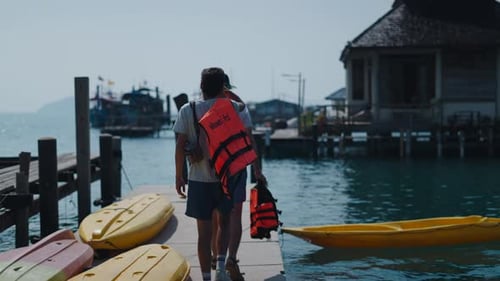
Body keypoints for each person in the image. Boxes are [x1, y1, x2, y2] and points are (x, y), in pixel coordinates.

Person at [175, 67, 242, 281]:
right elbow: (243, 108)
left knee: (203, 233)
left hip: (198, 179)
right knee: (225, 223)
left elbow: (180, 146)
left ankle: (205, 277)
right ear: (223, 86)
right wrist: (227, 93)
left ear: (201, 86)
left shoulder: (188, 109)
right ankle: (220, 268)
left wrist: (179, 176)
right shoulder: (231, 107)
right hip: (225, 177)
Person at [210, 74, 267, 281]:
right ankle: (231, 259)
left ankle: (218, 261)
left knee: (217, 217)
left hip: (215, 169)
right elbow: (250, 140)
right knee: (234, 215)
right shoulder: (240, 107)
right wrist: (257, 169)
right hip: (237, 167)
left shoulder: (204, 107)